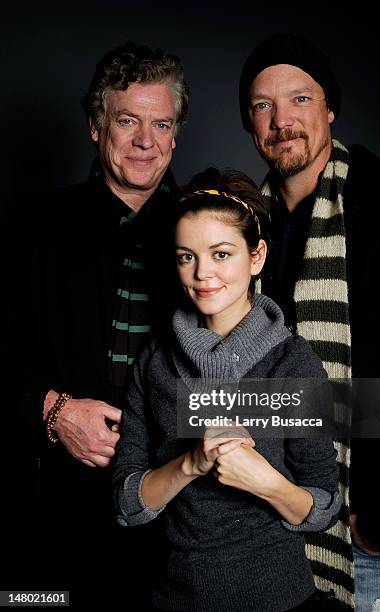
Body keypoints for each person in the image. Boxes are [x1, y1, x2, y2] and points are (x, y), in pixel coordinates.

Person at [238, 32, 380, 610]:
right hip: (272, 527)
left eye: (300, 99)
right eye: (263, 105)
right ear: (250, 123)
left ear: (330, 109)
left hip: (367, 530)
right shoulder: (245, 224)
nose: (282, 120)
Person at [7, 41, 188, 606]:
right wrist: (53, 410)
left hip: (179, 518)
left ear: (176, 135)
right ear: (95, 126)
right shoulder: (30, 228)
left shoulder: (210, 234)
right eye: (127, 121)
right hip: (55, 517)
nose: (145, 141)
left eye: (161, 124)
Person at [113, 167, 342, 611]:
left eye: (221, 254)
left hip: (281, 600)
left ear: (256, 257)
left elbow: (322, 505)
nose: (202, 275)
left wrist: (267, 482)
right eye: (186, 256)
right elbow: (126, 502)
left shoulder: (292, 364)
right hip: (175, 597)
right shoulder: (156, 364)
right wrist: (191, 463)